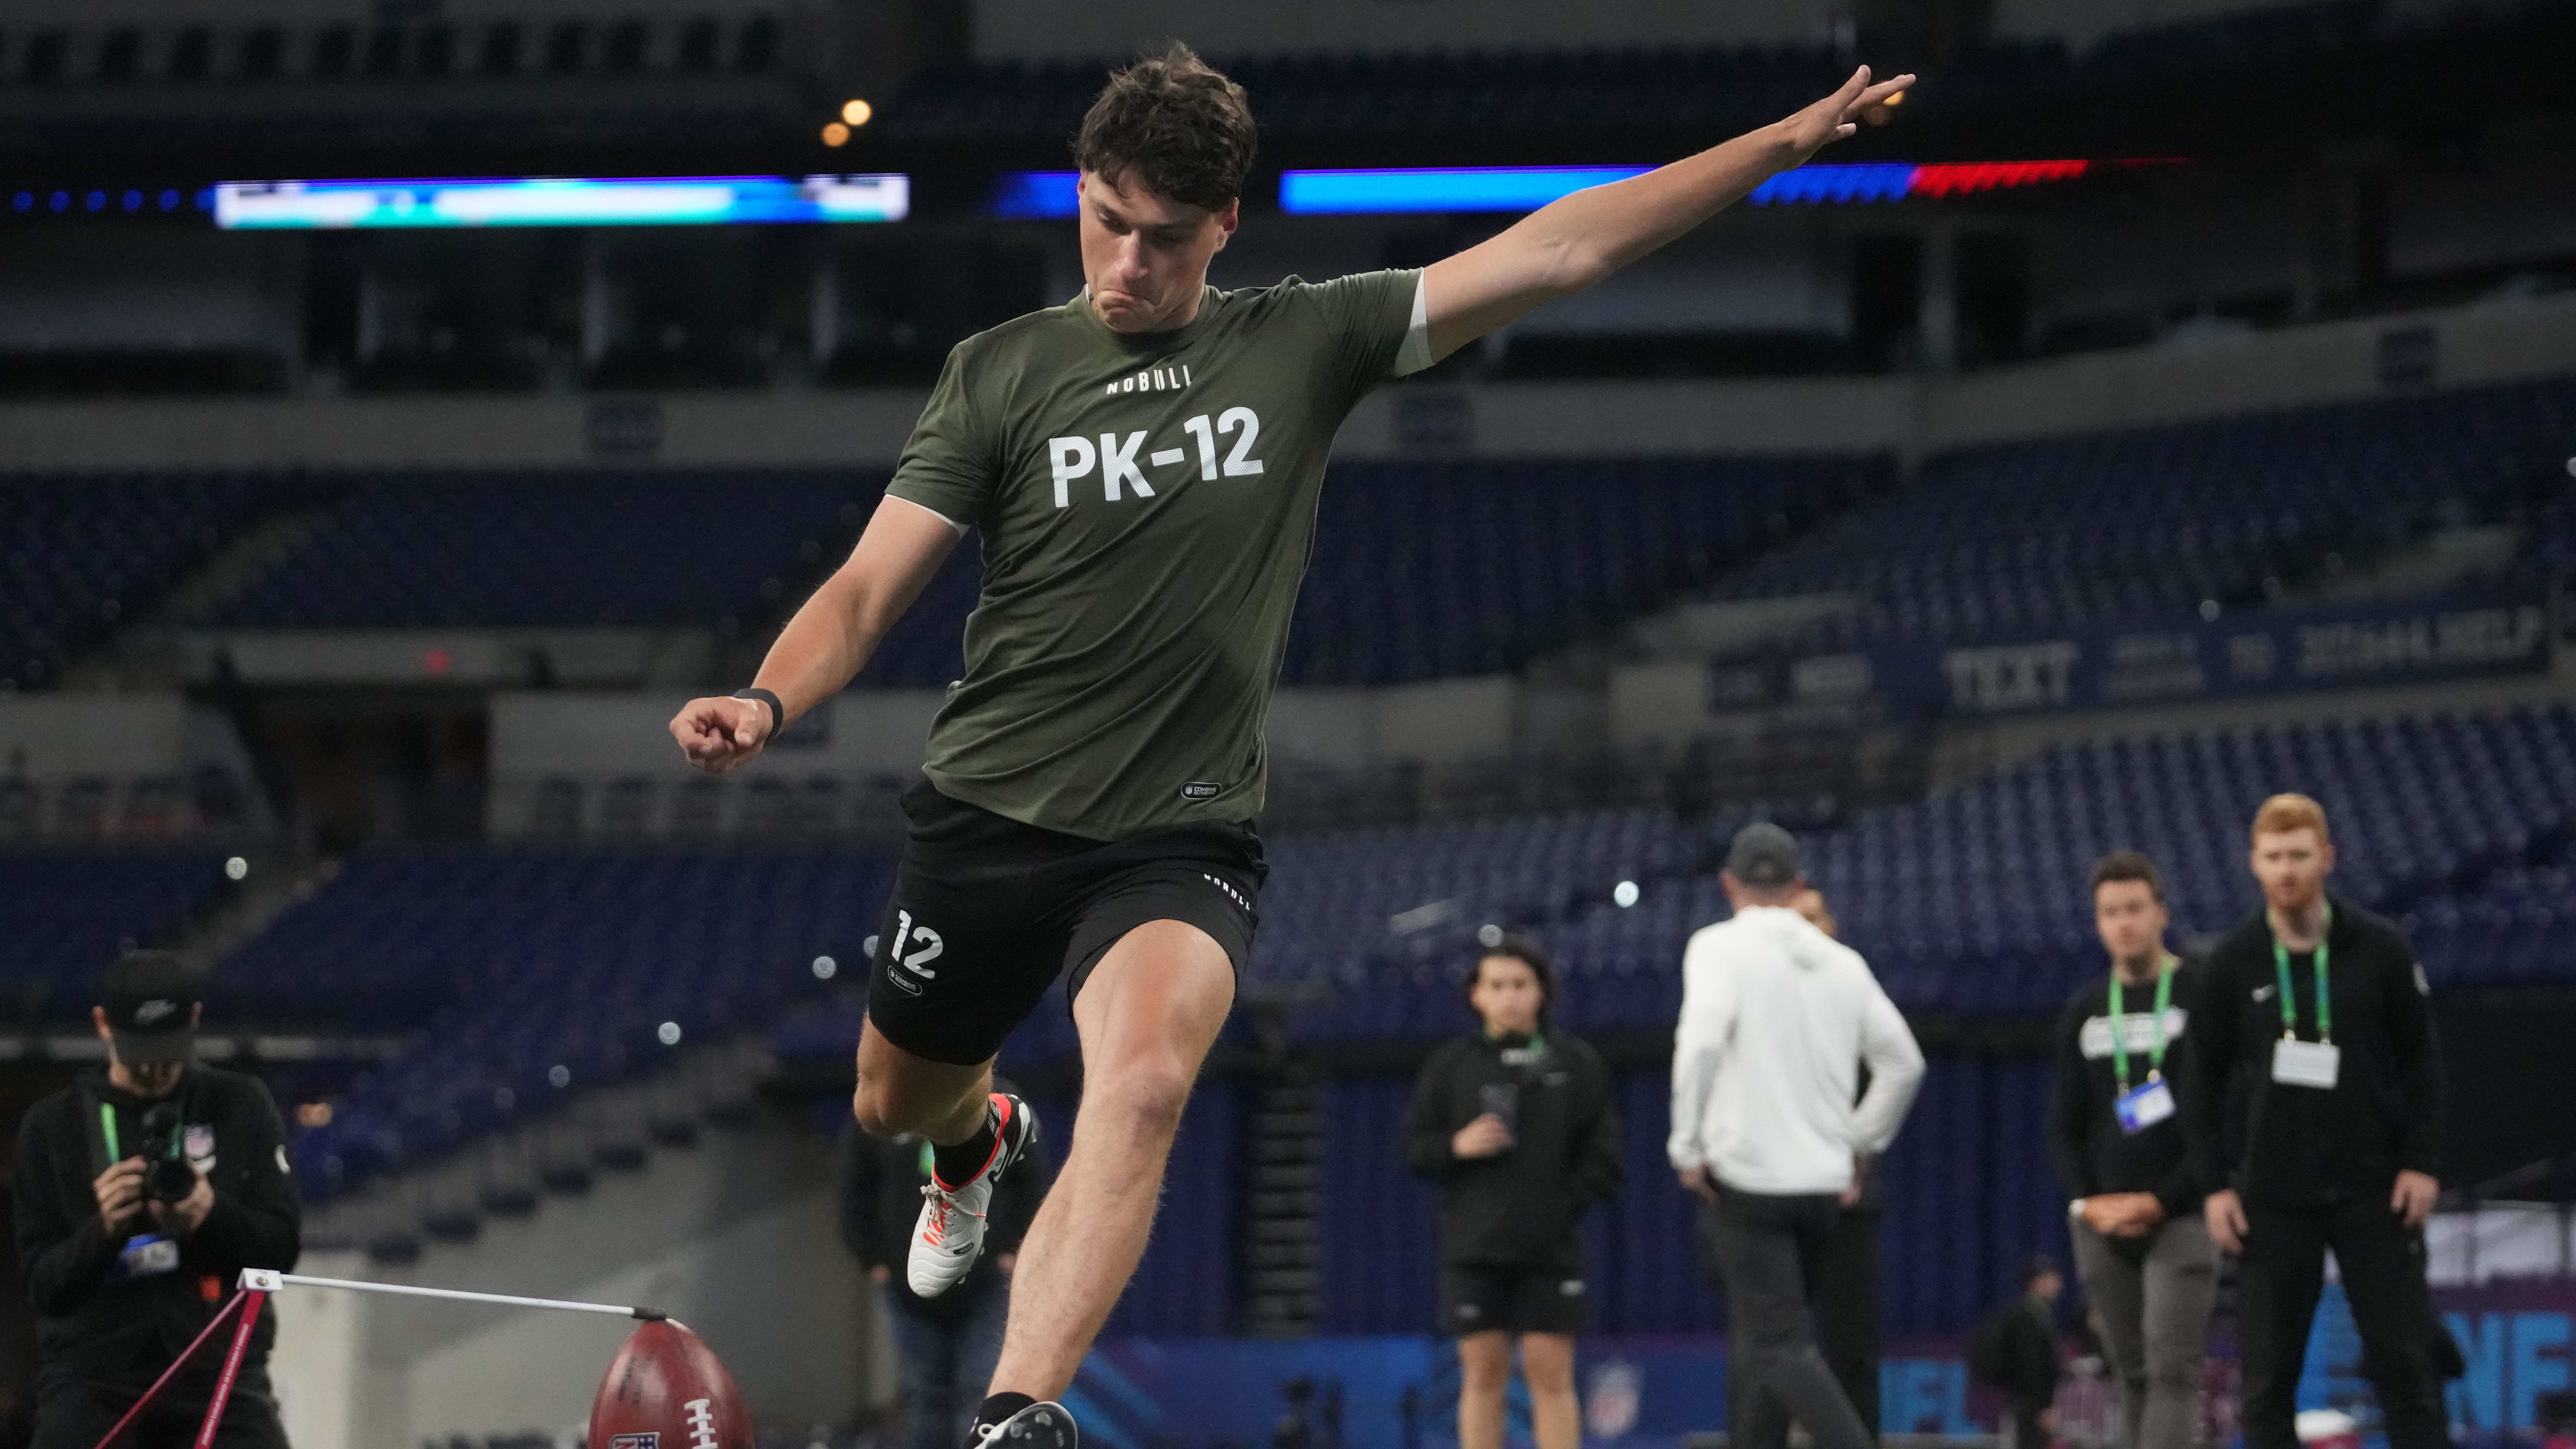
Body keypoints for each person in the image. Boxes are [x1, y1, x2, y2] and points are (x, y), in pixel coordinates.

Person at [666, 39, 1913, 1449]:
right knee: (893, 1102)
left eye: (1161, 239)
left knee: (1140, 1086)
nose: (1126, 263)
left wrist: (1783, 142)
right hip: (988, 814)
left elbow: (1558, 248)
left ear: (1223, 228)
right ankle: (979, 1140)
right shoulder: (1002, 371)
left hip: (1177, 831)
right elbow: (862, 590)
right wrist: (767, 699)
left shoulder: (1301, 339)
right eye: (1104, 223)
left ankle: (1018, 1410)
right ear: (1080, 194)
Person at [2185, 794, 2447, 1449]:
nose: (2287, 871)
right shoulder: (2232, 961)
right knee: (2268, 1384)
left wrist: (2421, 1160)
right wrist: (2216, 1184)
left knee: (2406, 1368)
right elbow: (2199, 1082)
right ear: (2255, 865)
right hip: (2272, 1199)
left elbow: (2423, 1063)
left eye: (2299, 856)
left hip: (2375, 1190)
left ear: (2327, 858)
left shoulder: (2380, 949)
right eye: (2274, 858)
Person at [1670, 825, 1924, 1449]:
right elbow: (1904, 1064)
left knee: (1778, 1347)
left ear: (1728, 884)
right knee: (1769, 1349)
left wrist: (1686, 1145)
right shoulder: (1843, 963)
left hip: (1749, 1185)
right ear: (1798, 886)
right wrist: (1858, 1142)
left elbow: (1700, 1041)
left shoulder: (1716, 947)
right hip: (1821, 1193)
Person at [11, 952, 300, 1449]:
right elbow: (44, 1287)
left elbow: (278, 1254)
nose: (152, 1068)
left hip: (219, 1373)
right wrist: (103, 1229)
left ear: (195, 1020)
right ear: (103, 1025)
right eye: (138, 1050)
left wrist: (209, 1214)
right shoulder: (52, 1127)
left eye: (167, 1051)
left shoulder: (240, 1103)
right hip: (95, 1380)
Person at [1403, 937, 1623, 1449]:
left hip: (1549, 1252)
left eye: (1520, 984)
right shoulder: (1451, 1065)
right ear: (1475, 995)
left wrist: (1557, 1207)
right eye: (1496, 985)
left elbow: (1605, 1161)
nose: (1508, 996)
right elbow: (1413, 1149)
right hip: (1474, 1251)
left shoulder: (1576, 1063)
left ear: (1541, 992)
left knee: (1551, 1376)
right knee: (1481, 1377)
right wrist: (1456, 1145)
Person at [2047, 852, 2215, 1449]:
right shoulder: (2084, 1011)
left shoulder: (2201, 994)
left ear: (2160, 914)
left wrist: (2162, 1200)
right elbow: (2064, 1124)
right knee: (2130, 1375)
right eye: (2109, 912)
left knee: (2172, 1372)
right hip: (2102, 1219)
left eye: (2134, 910)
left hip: (2184, 1214)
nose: (2123, 924)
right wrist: (2085, 1204)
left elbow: (2223, 1118)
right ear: (2097, 922)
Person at [1740, 886, 1883, 1449]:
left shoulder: (1859, 1001)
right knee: (1771, 1354)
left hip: (1847, 1203)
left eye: (1815, 916)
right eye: (1792, 920)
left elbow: (1886, 1085)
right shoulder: (1745, 1008)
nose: (1806, 928)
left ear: (1832, 925)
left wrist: (1856, 1164)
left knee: (1852, 1351)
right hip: (1769, 1208)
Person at [839, 1095, 1053, 1449]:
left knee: (981, 1387)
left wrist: (1015, 1250)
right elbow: (854, 1189)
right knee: (924, 1393)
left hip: (985, 1283)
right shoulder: (882, 1107)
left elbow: (1033, 1184)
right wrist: (872, 1259)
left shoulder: (1006, 1109)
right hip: (908, 1286)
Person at [1970, 1257, 2066, 1449]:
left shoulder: (2037, 1313)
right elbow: (2032, 1365)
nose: (2059, 1283)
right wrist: (2042, 1407)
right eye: (2053, 1277)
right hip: (2029, 1405)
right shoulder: (2028, 1317)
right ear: (2037, 1282)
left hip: (2025, 1402)